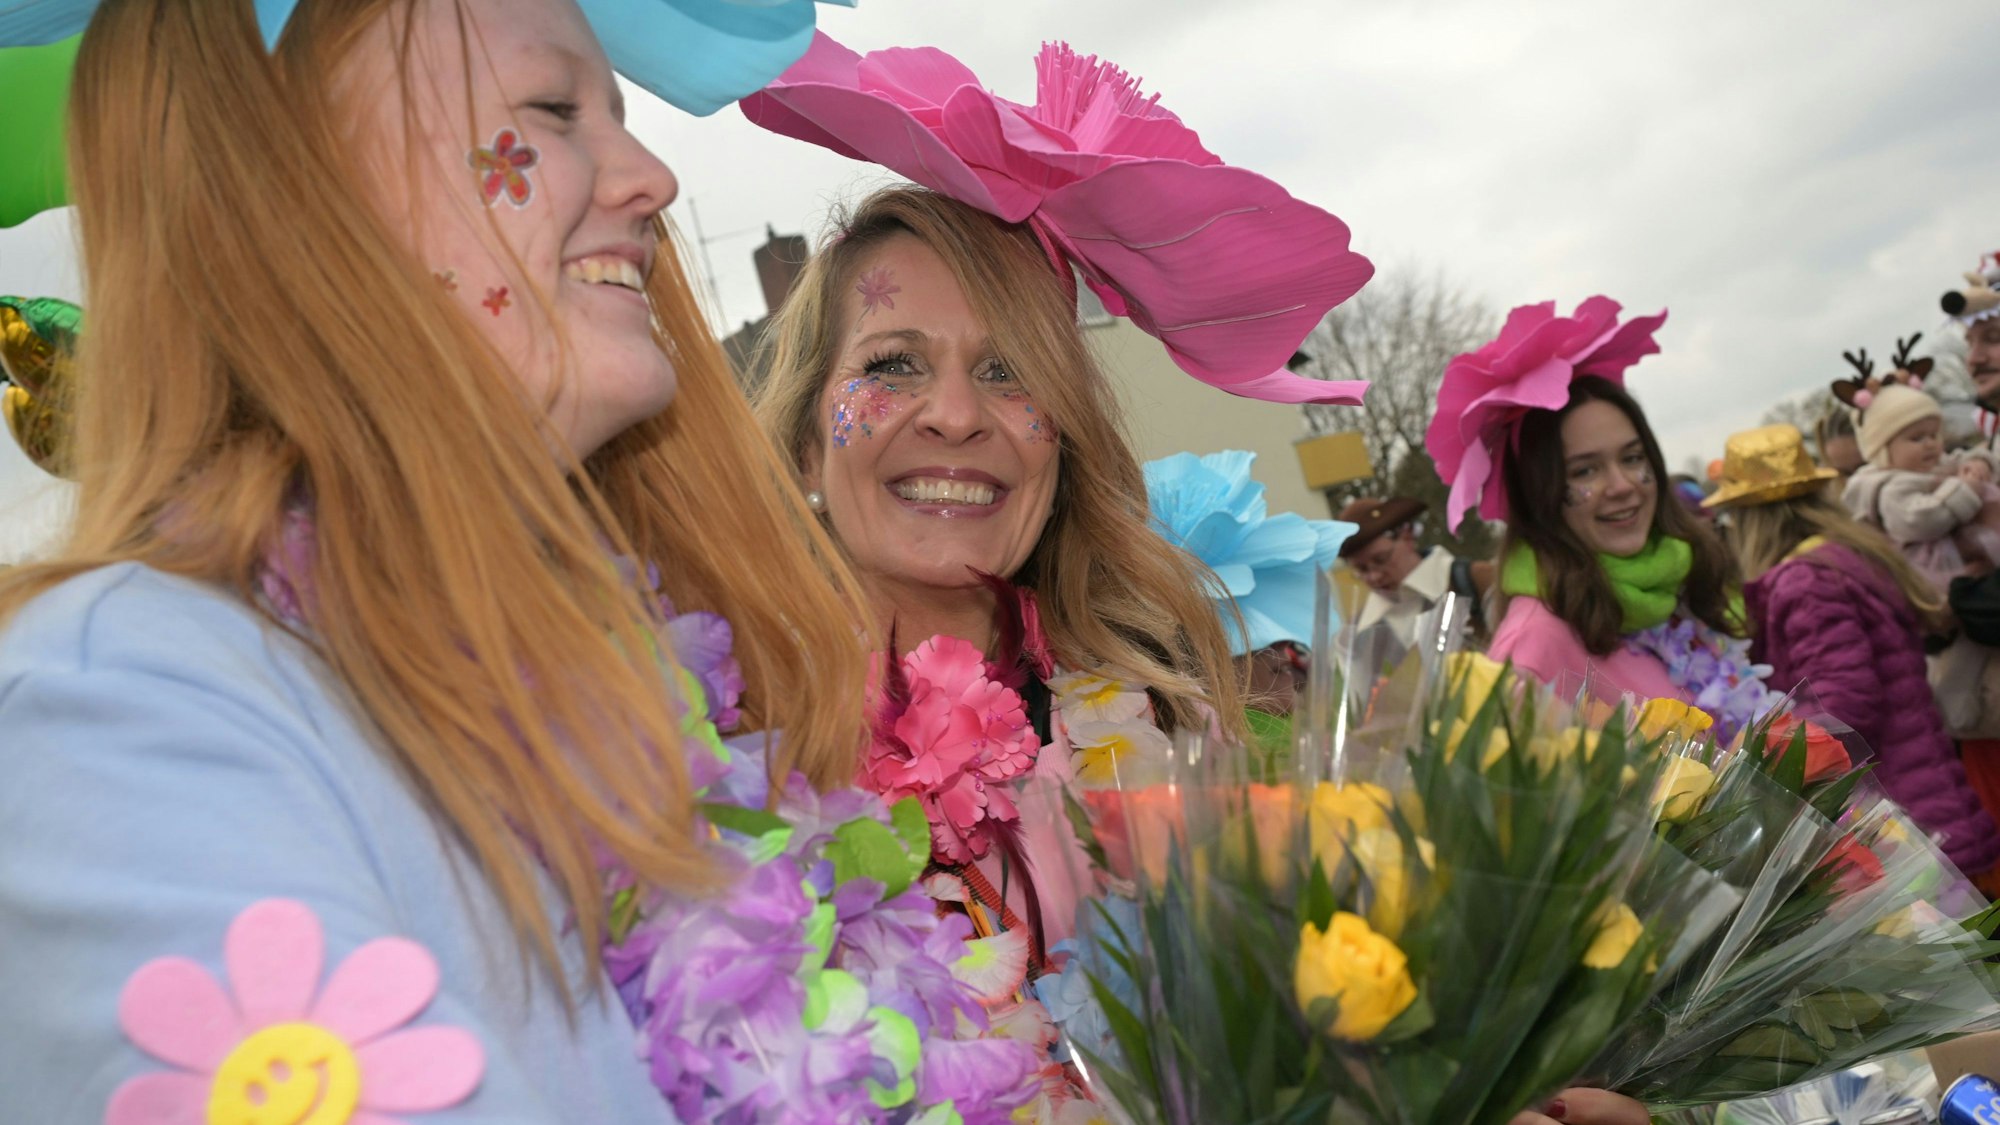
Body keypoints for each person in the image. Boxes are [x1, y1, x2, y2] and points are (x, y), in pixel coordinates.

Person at [747, 38, 1652, 1125]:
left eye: (1009, 372)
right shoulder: (725, 766)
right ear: (805, 441)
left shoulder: (1184, 728)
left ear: (1062, 438)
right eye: (892, 364)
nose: (955, 415)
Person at [0, 0, 875, 1119]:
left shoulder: (586, 688)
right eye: (552, 111)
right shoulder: (121, 712)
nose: (650, 176)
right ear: (294, 188)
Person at [1427, 297, 1769, 742]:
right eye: (1585, 470)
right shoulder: (1534, 646)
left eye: (1632, 458)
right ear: (1540, 494)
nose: (1622, 484)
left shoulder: (1678, 583)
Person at [1706, 424, 2000, 882]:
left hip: (1907, 833)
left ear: (1751, 519)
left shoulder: (1807, 581)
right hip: (1933, 813)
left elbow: (1844, 703)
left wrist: (1751, 754)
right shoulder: (1843, 557)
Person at [1337, 494, 1493, 654]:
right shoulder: (1361, 630)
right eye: (1361, 569)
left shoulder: (1475, 580)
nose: (1374, 576)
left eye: (1381, 559)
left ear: (1407, 536)